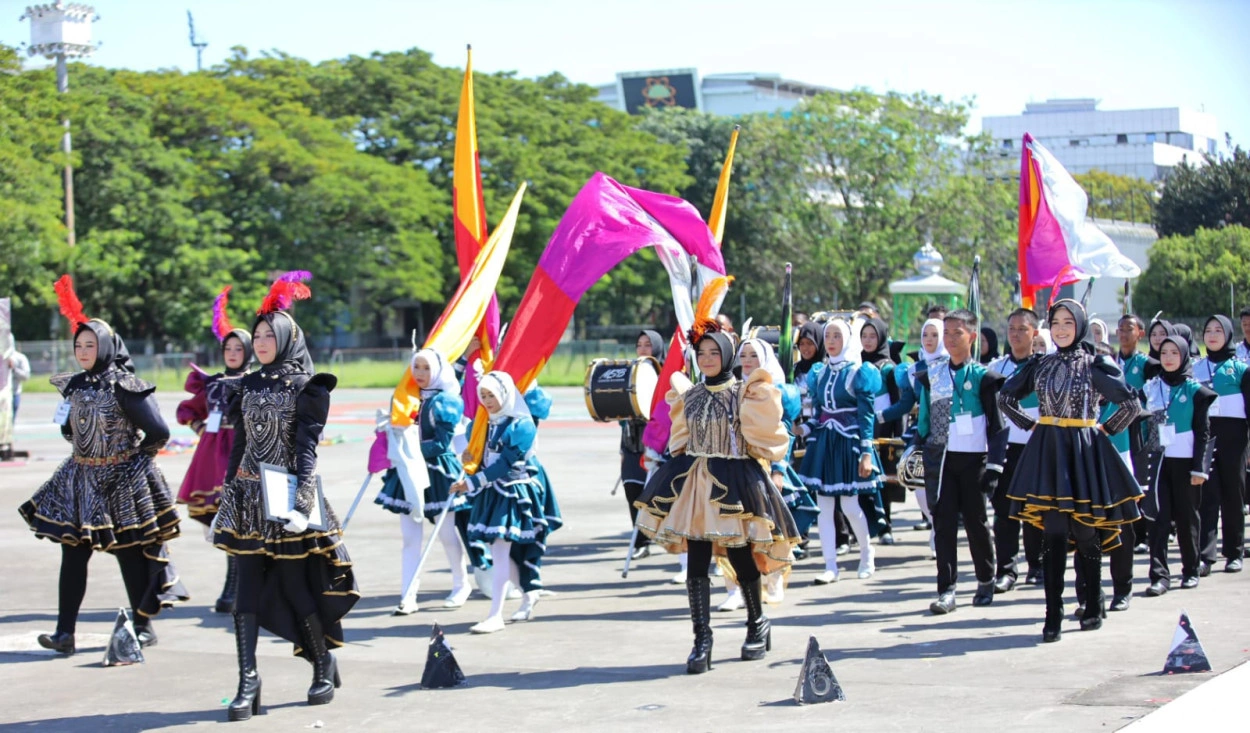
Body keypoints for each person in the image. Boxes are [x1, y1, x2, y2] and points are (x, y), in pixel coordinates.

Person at [213, 279, 359, 719]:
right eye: (255, 336)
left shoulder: (308, 386)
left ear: (288, 338)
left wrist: (302, 505)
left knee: (298, 589)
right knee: (245, 595)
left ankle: (320, 665)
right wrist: (227, 496)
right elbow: (240, 444)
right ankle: (247, 682)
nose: (259, 343)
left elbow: (307, 451)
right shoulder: (247, 384)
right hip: (247, 500)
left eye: (268, 336)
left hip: (291, 498)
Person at [20, 276, 187, 656]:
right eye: (78, 345)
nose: (83, 351)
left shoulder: (125, 386)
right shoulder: (74, 385)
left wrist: (133, 464)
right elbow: (69, 430)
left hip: (122, 481)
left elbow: (158, 432)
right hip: (79, 479)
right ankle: (65, 634)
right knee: (73, 554)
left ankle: (143, 627)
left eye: (90, 345)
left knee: (129, 553)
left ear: (106, 346)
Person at [635, 323, 797, 672]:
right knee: (696, 562)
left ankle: (757, 622)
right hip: (694, 482)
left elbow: (765, 437)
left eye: (714, 352)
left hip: (734, 481)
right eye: (701, 353)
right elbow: (680, 440)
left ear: (726, 355)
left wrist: (769, 470)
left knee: (740, 557)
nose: (707, 359)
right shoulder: (687, 394)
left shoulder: (746, 392)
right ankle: (701, 639)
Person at [1001, 299, 1142, 643]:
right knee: (1052, 534)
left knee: (1085, 532)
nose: (1062, 329)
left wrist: (1103, 431)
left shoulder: (1094, 365)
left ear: (1079, 326)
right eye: (1056, 323)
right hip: (1048, 450)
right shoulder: (1041, 365)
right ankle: (1053, 615)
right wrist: (1031, 426)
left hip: (1083, 450)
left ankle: (1093, 603)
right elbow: (1005, 397)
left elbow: (1131, 403)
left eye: (1068, 322)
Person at [452, 372, 562, 634]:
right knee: (502, 553)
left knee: (500, 552)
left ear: (504, 394)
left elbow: (504, 465)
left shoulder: (521, 425)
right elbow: (477, 460)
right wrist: (467, 461)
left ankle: (495, 614)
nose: (488, 401)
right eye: (484, 395)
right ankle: (528, 594)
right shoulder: (478, 426)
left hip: (514, 493)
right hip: (490, 492)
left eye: (492, 395)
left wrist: (471, 483)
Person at [913, 310, 1007, 614]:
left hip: (974, 460)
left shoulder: (984, 377)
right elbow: (924, 420)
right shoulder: (933, 375)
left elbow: (997, 426)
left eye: (957, 333)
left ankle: (985, 579)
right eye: (947, 333)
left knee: (978, 524)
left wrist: (994, 466)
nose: (951, 339)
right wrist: (916, 445)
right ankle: (947, 589)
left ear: (972, 336)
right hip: (941, 461)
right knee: (943, 525)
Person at [375, 348, 480, 614]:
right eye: (416, 367)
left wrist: (407, 444)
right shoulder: (405, 396)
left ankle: (461, 584)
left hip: (438, 471)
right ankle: (408, 595)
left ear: (436, 370)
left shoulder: (447, 401)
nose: (420, 373)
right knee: (411, 539)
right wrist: (389, 434)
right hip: (408, 471)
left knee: (446, 535)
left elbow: (442, 444)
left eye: (425, 368)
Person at [176, 287, 253, 614]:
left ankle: (233, 591)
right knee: (219, 527)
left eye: (238, 348)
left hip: (241, 457)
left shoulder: (255, 380)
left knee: (237, 526)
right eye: (228, 347)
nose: (232, 353)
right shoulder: (214, 382)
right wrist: (202, 431)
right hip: (211, 459)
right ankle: (232, 589)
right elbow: (189, 410)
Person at [797, 320, 885, 583]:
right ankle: (830, 565)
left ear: (847, 339)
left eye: (837, 335)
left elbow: (865, 416)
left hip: (849, 443)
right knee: (823, 507)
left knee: (849, 504)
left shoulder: (858, 372)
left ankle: (867, 554)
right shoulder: (818, 373)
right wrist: (801, 431)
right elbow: (816, 415)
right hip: (824, 443)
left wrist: (866, 452)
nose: (832, 340)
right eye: (829, 336)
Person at [1141, 334, 1215, 596]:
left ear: (1183, 355)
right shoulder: (1150, 388)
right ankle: (1160, 576)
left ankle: (1191, 569)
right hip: (1159, 461)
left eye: (1174, 353)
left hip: (1186, 464)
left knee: (1187, 518)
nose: (1168, 358)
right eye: (1164, 353)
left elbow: (1204, 432)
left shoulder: (1196, 391)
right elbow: (1142, 426)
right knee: (1158, 519)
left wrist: (1200, 468)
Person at [988, 308, 1044, 593]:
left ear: (1034, 333)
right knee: (1004, 512)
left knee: (1035, 510)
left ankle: (1037, 565)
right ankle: (1006, 570)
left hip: (1036, 448)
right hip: (1005, 449)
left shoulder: (1045, 367)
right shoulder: (997, 368)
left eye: (1022, 329)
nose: (1016, 334)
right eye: (1011, 328)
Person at [881, 318, 949, 545]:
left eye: (935, 335)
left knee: (944, 484)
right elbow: (904, 405)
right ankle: (935, 524)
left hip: (950, 431)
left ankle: (939, 532)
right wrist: (880, 415)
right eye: (925, 335)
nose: (929, 340)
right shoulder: (912, 370)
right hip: (922, 431)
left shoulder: (952, 365)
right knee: (918, 485)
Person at [1194, 316, 1250, 574]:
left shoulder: (1240, 369)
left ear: (1228, 335)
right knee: (1207, 496)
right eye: (1208, 330)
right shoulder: (1195, 369)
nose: (1213, 335)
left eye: (1218, 330)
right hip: (1205, 437)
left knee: (1232, 493)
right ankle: (1206, 555)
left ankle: (1234, 552)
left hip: (1233, 438)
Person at [621, 331, 666, 561]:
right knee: (632, 492)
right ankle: (641, 541)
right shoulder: (631, 374)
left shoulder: (669, 374)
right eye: (639, 345)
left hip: (660, 446)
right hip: (632, 445)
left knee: (662, 496)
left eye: (648, 345)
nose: (643, 349)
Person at [860, 317, 905, 545]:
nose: (868, 341)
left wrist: (898, 437)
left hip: (883, 432)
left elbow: (899, 405)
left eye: (872, 336)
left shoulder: (889, 368)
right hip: (861, 428)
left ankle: (885, 525)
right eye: (864, 336)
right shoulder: (855, 364)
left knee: (883, 481)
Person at [6, 335, 30, 419]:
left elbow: (26, 376)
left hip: (13, 394)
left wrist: (13, 369)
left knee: (9, 423)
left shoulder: (20, 358)